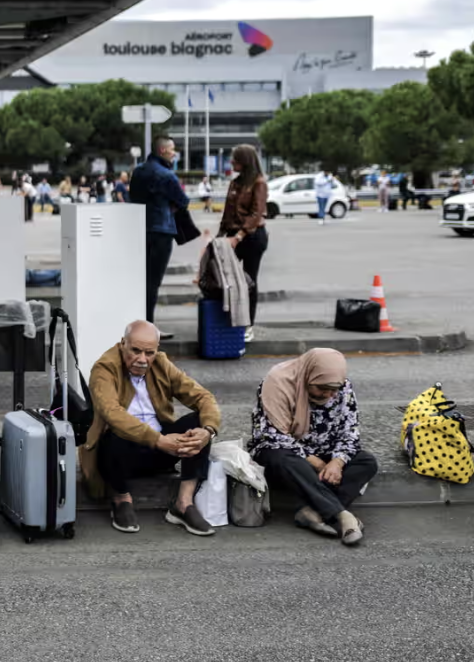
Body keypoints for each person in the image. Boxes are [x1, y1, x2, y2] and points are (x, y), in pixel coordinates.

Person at [84, 320, 221, 537]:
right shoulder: (104, 368)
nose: (142, 359)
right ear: (123, 344)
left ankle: (184, 503)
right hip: (120, 456)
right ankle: (121, 499)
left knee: (197, 425)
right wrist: (159, 440)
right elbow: (112, 413)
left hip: (161, 450)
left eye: (149, 353)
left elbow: (203, 397)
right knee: (114, 434)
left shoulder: (160, 363)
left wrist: (209, 430)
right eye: (135, 351)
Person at [248, 349, 377, 546]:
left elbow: (350, 432)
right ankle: (342, 516)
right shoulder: (277, 383)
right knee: (282, 459)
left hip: (325, 454)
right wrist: (313, 461)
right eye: (322, 388)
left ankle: (311, 511)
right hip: (284, 453)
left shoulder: (342, 388)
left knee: (366, 462)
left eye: (334, 389)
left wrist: (337, 462)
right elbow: (271, 435)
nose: (329, 394)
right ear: (308, 376)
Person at [130, 135, 189, 332]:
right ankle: (148, 327)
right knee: (153, 282)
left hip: (139, 229)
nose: (174, 153)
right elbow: (183, 201)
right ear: (163, 151)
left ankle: (138, 324)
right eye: (172, 149)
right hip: (161, 231)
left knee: (141, 280)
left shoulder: (138, 171)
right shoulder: (166, 175)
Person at [219, 144, 269, 343]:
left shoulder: (258, 183)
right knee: (225, 279)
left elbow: (256, 214)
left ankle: (248, 325)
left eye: (236, 159)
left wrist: (238, 236)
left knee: (249, 281)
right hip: (232, 235)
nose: (232, 162)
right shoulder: (235, 183)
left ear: (245, 161)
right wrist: (220, 237)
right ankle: (229, 320)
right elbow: (227, 213)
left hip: (252, 236)